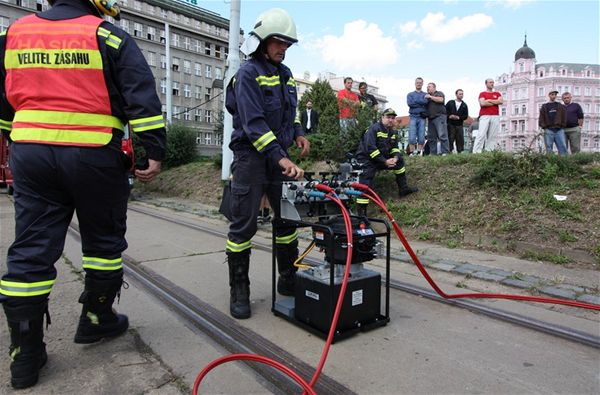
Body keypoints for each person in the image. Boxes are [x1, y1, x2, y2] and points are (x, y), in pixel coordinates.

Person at [0, 0, 166, 389]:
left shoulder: (14, 34)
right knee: (103, 241)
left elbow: (4, 103)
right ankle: (96, 320)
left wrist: (17, 137)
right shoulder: (109, 36)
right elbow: (142, 99)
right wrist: (153, 151)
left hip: (31, 151)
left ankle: (23, 355)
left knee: (31, 248)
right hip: (93, 154)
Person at [225, 8, 309, 320]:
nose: (283, 49)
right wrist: (280, 156)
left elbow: (293, 111)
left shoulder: (286, 75)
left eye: (287, 44)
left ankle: (288, 278)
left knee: (287, 221)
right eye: (278, 42)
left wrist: (298, 133)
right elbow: (254, 124)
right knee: (243, 225)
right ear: (261, 41)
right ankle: (239, 289)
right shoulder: (247, 74)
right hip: (251, 158)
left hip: (279, 157)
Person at [355, 108, 418, 216]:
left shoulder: (392, 132)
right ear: (382, 118)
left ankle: (403, 189)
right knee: (365, 183)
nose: (390, 120)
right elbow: (371, 149)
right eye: (388, 117)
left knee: (400, 162)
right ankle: (362, 215)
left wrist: (395, 158)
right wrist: (385, 161)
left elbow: (395, 148)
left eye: (392, 118)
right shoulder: (373, 129)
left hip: (381, 159)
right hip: (367, 160)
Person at [473, 78, 503, 153]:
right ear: (486, 84)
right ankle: (476, 152)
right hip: (484, 115)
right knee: (481, 134)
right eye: (490, 82)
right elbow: (482, 103)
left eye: (493, 82)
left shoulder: (497, 94)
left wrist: (489, 100)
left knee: (493, 135)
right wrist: (495, 102)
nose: (492, 84)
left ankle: (489, 151)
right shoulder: (482, 94)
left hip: (495, 115)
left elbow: (501, 101)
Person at [539, 90, 567, 155]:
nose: (553, 96)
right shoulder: (544, 106)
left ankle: (564, 162)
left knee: (562, 147)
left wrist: (563, 125)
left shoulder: (560, 105)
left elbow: (564, 116)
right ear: (549, 95)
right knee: (549, 148)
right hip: (548, 130)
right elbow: (541, 117)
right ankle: (550, 162)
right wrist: (544, 127)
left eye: (555, 94)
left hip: (559, 130)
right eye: (552, 94)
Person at [425, 82, 449, 155]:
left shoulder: (438, 93)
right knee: (431, 137)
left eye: (429, 86)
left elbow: (441, 100)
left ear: (434, 88)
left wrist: (431, 97)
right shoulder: (427, 97)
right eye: (427, 87)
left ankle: (445, 152)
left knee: (442, 135)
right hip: (430, 119)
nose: (427, 88)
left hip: (439, 117)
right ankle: (433, 153)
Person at [406, 77, 428, 156]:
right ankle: (411, 153)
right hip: (413, 116)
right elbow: (410, 104)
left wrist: (416, 102)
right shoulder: (410, 94)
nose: (418, 84)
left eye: (420, 82)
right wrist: (421, 102)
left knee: (421, 136)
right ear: (415, 83)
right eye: (417, 82)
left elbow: (426, 102)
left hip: (422, 117)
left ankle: (419, 152)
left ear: (422, 84)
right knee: (412, 135)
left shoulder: (425, 94)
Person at [445, 89, 469, 154]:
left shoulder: (464, 105)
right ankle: (449, 151)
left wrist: (458, 117)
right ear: (456, 94)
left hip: (459, 124)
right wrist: (449, 116)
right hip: (450, 124)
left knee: (460, 138)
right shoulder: (450, 102)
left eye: (462, 94)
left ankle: (460, 151)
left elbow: (465, 116)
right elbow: (444, 111)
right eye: (460, 94)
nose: (461, 95)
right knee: (450, 137)